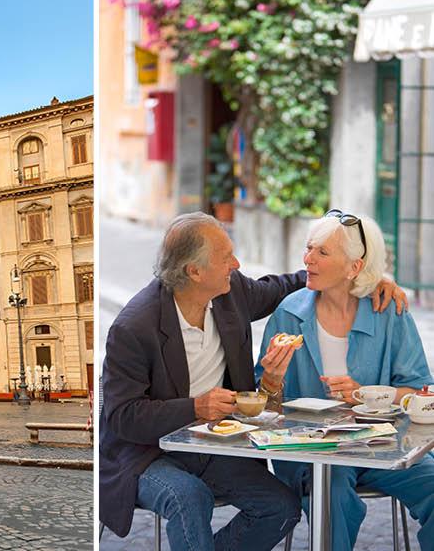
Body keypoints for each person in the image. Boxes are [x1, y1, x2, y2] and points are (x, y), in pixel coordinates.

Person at [100, 212, 405, 550]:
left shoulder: (232, 292)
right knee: (190, 498)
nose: (237, 262)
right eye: (225, 256)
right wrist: (195, 408)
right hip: (147, 454)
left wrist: (364, 277)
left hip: (212, 445)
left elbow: (287, 284)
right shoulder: (133, 327)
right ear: (195, 271)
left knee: (280, 507)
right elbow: (121, 417)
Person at [256, 211, 434, 551]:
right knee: (331, 490)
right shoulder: (289, 314)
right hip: (312, 452)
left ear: (355, 266)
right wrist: (272, 381)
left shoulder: (389, 311)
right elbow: (263, 411)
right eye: (309, 249)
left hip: (383, 446)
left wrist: (368, 396)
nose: (307, 259)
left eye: (322, 252)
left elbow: (418, 391)